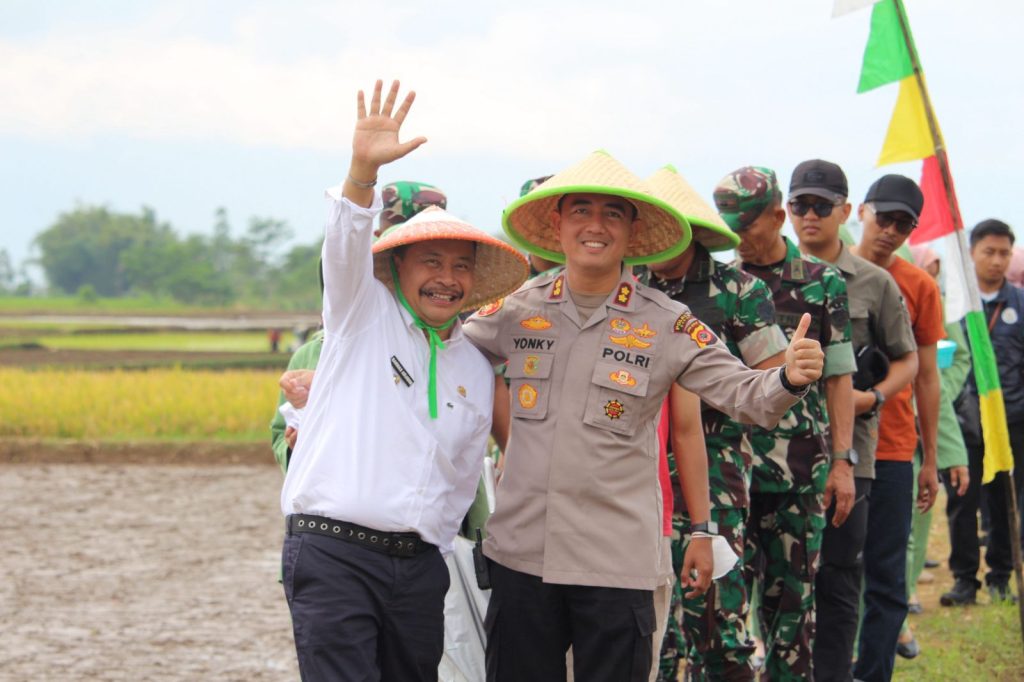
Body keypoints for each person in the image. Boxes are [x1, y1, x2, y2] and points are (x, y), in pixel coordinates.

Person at [464, 150, 826, 682]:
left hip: (617, 563)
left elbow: (747, 395)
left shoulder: (668, 322)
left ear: (633, 233)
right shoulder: (515, 310)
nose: (595, 224)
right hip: (522, 558)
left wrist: (790, 376)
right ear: (556, 225)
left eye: (613, 213)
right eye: (580, 210)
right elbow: (439, 359)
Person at [278, 80, 529, 681]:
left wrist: (444, 551)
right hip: (334, 552)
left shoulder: (473, 362)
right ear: (395, 266)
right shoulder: (361, 316)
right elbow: (343, 247)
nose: (447, 279)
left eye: (461, 267)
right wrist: (363, 170)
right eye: (432, 263)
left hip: (419, 568)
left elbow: (463, 475)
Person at [644, 165, 788, 682]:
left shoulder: (738, 291)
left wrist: (704, 385)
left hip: (718, 467)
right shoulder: (628, 287)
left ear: (689, 229)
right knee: (647, 622)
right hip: (638, 467)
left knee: (717, 618)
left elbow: (771, 381)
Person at [713, 164, 856, 682]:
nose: (740, 238)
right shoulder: (723, 284)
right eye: (730, 227)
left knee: (792, 611)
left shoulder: (822, 284)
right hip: (732, 471)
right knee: (722, 608)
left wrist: (842, 463)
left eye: (748, 225)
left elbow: (839, 379)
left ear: (778, 216)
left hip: (799, 472)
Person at [786, 159, 918, 681]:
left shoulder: (874, 283)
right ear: (787, 211)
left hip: (850, 453)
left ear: (845, 210)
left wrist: (874, 397)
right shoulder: (763, 279)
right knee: (781, 582)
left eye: (822, 205)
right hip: (779, 456)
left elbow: (908, 357)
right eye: (800, 205)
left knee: (840, 581)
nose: (810, 215)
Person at [271, 183, 449, 472]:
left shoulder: (454, 343)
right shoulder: (322, 348)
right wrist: (297, 445)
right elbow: (283, 434)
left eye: (431, 255)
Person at [851, 174, 943, 682]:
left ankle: (874, 674)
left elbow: (928, 378)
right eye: (883, 217)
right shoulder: (823, 272)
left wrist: (929, 458)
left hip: (890, 450)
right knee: (827, 572)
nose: (889, 230)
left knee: (886, 578)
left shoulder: (919, 285)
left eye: (903, 224)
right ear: (860, 212)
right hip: (831, 447)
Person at [943, 218, 1024, 605]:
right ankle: (964, 579)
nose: (996, 260)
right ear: (971, 253)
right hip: (963, 421)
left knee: (1005, 499)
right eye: (988, 252)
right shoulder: (953, 306)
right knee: (962, 500)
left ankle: (1001, 577)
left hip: (1011, 422)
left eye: (1004, 253)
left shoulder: (1019, 303)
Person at [895, 246, 970, 659]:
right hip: (879, 422)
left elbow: (952, 361)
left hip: (926, 424)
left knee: (915, 522)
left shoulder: (934, 298)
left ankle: (903, 598)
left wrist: (932, 397)